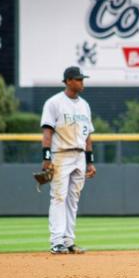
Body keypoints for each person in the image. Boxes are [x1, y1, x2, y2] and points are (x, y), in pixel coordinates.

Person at [40, 66, 96, 254]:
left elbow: (88, 135)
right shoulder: (54, 103)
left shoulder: (85, 105)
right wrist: (46, 157)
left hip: (80, 155)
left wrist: (90, 161)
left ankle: (68, 241)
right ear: (69, 81)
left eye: (82, 79)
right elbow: (47, 131)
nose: (82, 82)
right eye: (79, 79)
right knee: (58, 197)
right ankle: (56, 242)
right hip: (61, 155)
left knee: (73, 199)